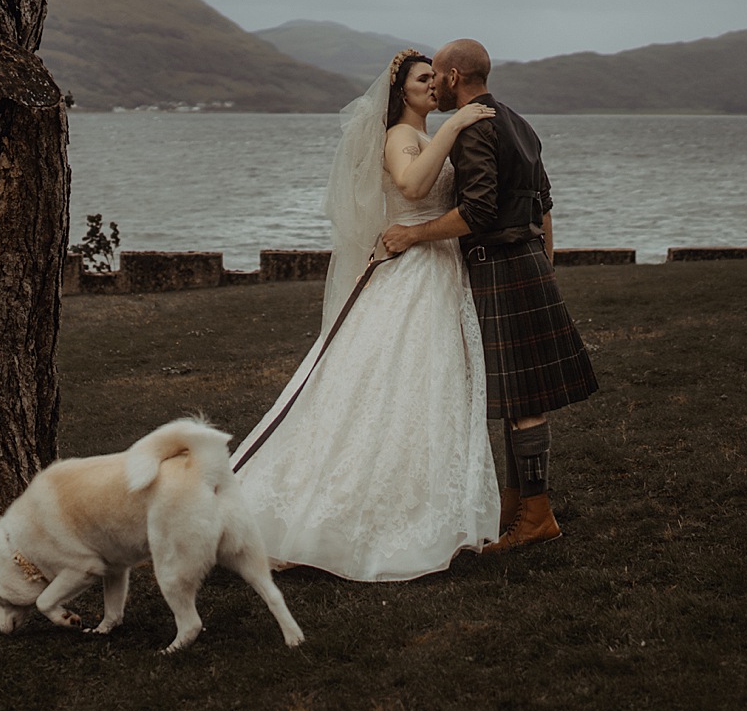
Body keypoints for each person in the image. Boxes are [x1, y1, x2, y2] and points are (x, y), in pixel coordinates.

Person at [231, 50, 501, 581]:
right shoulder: (402, 137)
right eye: (422, 79)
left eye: (432, 78)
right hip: (414, 273)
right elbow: (412, 187)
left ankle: (426, 503)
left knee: (428, 388)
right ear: (400, 92)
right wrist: (457, 125)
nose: (431, 86)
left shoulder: (423, 133)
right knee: (393, 384)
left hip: (437, 269)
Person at [382, 38, 598, 553]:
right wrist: (545, 259)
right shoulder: (519, 122)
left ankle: (537, 515)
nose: (433, 82)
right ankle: (515, 504)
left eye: (437, 74)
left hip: (501, 264)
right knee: (515, 395)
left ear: (455, 76)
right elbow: (543, 201)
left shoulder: (473, 128)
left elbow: (477, 212)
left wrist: (413, 234)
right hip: (527, 261)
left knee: (521, 400)